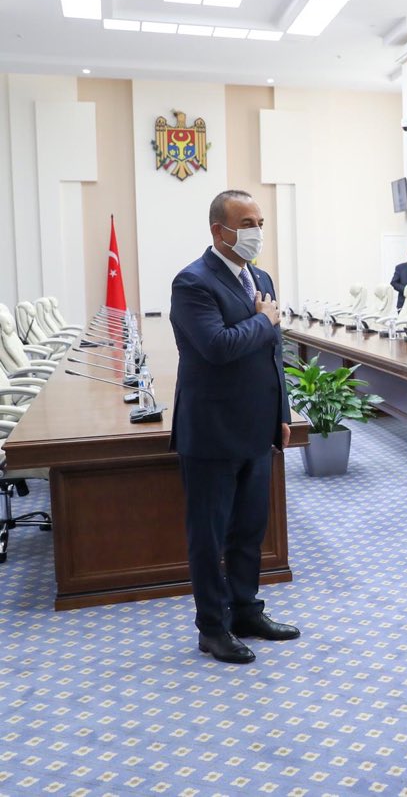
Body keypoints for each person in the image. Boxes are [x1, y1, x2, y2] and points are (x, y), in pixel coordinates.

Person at [169, 189, 299, 665]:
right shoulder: (192, 282)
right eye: (247, 223)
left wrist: (282, 412)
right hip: (211, 432)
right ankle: (212, 627)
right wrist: (264, 320)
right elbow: (218, 346)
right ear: (218, 230)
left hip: (257, 428)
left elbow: (273, 353)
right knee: (209, 536)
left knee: (249, 530)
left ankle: (245, 610)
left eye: (260, 222)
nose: (257, 232)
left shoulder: (260, 277)